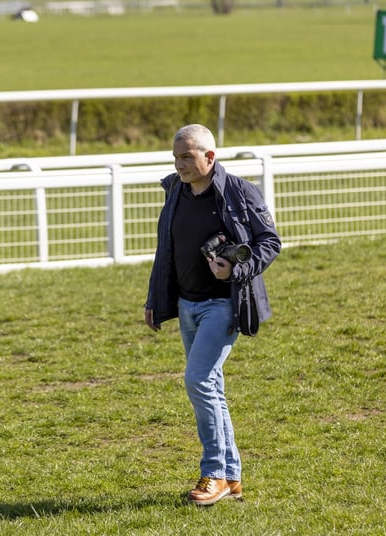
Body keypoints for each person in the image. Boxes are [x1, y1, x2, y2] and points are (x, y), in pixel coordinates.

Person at [144, 124, 281, 506]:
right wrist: (155, 298)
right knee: (212, 388)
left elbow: (270, 243)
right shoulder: (175, 189)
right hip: (187, 305)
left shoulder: (240, 191)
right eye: (175, 157)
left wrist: (234, 270)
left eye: (187, 156)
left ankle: (214, 473)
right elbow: (166, 249)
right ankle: (232, 476)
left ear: (210, 156)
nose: (180, 164)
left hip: (225, 304)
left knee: (199, 380)